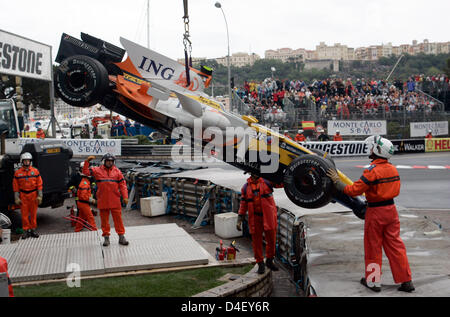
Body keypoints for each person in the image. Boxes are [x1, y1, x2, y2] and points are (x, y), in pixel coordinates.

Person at [326, 135, 414, 293]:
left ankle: (373, 282)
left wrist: (337, 182)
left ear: (378, 151)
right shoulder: (393, 169)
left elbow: (353, 191)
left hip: (375, 212)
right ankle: (406, 281)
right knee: (396, 246)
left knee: (373, 248)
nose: (371, 148)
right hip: (391, 211)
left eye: (374, 147)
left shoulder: (372, 171)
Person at [236, 174, 280, 274]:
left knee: (271, 240)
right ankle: (260, 263)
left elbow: (281, 183)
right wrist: (239, 219)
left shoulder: (268, 181)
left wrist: (289, 177)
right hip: (255, 218)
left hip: (268, 217)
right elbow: (243, 204)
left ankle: (269, 261)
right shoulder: (245, 187)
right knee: (256, 242)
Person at [83, 154, 129, 246]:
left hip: (115, 200)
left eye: (111, 161)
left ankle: (121, 237)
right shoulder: (97, 170)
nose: (110, 162)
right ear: (104, 161)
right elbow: (86, 172)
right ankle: (106, 238)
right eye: (108, 161)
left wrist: (125, 196)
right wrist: (87, 162)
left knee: (118, 220)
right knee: (104, 221)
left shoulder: (117, 172)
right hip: (103, 200)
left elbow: (122, 185)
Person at [13, 152, 43, 239]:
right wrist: (16, 197)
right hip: (23, 195)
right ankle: (26, 231)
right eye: (25, 161)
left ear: (30, 161)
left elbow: (39, 184)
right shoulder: (18, 173)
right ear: (22, 162)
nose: (26, 162)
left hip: (33, 195)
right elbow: (15, 186)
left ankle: (33, 230)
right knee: (24, 215)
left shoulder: (35, 171)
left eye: (28, 161)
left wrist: (40, 196)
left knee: (33, 214)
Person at [74, 162, 98, 232]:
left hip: (81, 203)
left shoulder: (85, 182)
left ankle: (77, 229)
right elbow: (83, 196)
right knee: (90, 217)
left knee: (81, 217)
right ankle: (95, 231)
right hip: (84, 203)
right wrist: (92, 200)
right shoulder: (85, 183)